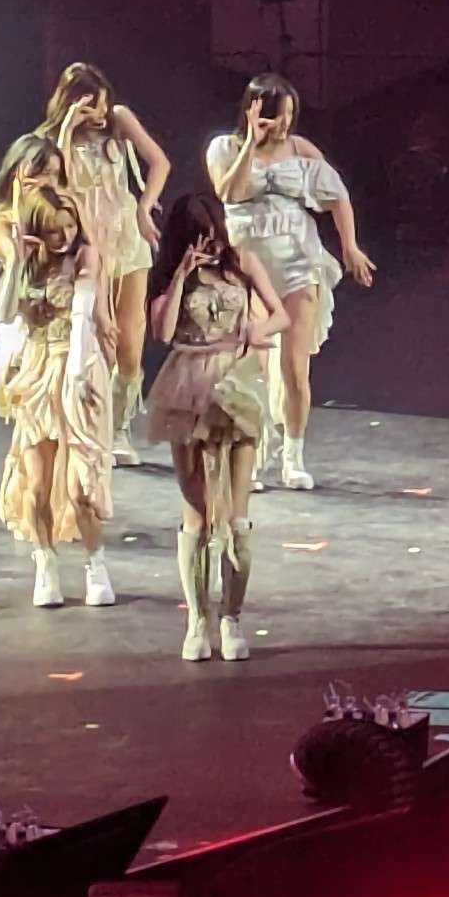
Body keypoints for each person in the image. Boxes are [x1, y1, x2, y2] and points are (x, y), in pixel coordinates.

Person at [206, 73, 374, 489]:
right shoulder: (225, 148)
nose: (283, 124)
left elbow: (338, 197)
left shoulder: (301, 149)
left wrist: (350, 247)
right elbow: (228, 193)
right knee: (254, 364)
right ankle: (252, 457)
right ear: (254, 111)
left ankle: (293, 457)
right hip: (249, 267)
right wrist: (251, 143)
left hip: (298, 262)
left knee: (294, 366)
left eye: (289, 115)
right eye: (276, 115)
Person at [146, 195, 287, 662]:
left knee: (236, 517)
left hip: (236, 384)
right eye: (198, 238)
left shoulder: (241, 262)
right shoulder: (170, 276)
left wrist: (258, 332)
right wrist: (182, 275)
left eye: (212, 235)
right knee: (198, 514)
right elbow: (163, 332)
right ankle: (196, 620)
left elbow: (281, 313)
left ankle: (231, 618)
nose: (208, 246)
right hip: (187, 385)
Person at [38, 63, 170, 467]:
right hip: (86, 240)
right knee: (98, 338)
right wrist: (66, 131)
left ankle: (120, 427)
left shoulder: (119, 119)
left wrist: (145, 206)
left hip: (125, 232)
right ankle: (93, 426)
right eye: (89, 105)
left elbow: (160, 162)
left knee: (130, 337)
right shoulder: (51, 140)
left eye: (102, 103)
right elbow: (60, 186)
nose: (99, 112)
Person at [0, 187, 118, 608]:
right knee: (37, 482)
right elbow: (6, 313)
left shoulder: (85, 257)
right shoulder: (26, 262)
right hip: (36, 369)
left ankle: (95, 565)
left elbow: (82, 313)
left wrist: (79, 372)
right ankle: (45, 563)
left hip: (77, 365)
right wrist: (15, 262)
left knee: (81, 484)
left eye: (69, 225)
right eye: (53, 229)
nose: (64, 236)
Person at [0, 133, 66, 420]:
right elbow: (15, 258)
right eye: (40, 172)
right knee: (32, 423)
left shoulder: (62, 215)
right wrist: (21, 209)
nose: (48, 181)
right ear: (17, 172)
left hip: (64, 321)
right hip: (25, 320)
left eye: (54, 174)